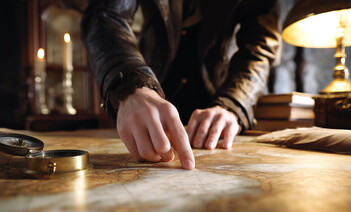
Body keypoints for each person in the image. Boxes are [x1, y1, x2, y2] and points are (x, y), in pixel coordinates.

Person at [81, 0, 281, 170]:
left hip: (217, 109)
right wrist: (131, 83)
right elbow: (105, 15)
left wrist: (233, 103)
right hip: (143, 107)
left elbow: (260, 45)